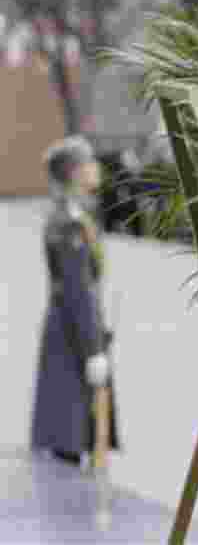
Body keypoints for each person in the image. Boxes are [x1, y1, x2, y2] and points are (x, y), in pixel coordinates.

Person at [31, 135, 120, 468]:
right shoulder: (69, 220)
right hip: (73, 335)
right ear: (74, 171)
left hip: (74, 327)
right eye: (89, 162)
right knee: (68, 440)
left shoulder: (77, 213)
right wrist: (93, 348)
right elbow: (77, 290)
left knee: (75, 438)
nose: (97, 167)